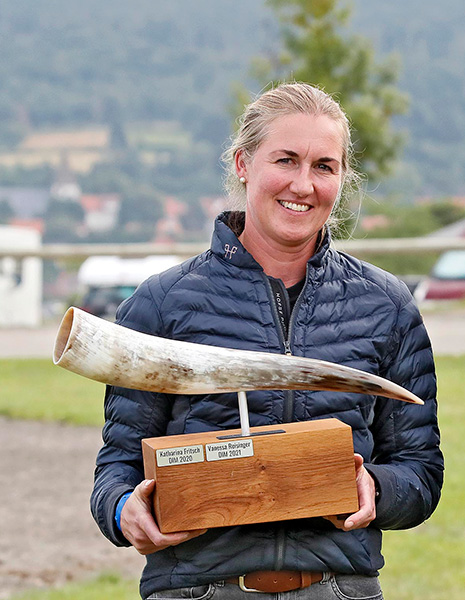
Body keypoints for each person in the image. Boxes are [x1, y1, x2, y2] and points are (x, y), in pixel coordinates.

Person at [91, 82, 443, 600]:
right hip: (197, 590)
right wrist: (126, 509)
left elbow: (421, 473)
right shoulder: (160, 304)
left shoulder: (386, 306)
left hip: (338, 589)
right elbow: (115, 468)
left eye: (324, 166)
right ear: (243, 163)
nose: (303, 184)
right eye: (286, 160)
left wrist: (377, 489)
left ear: (342, 179)